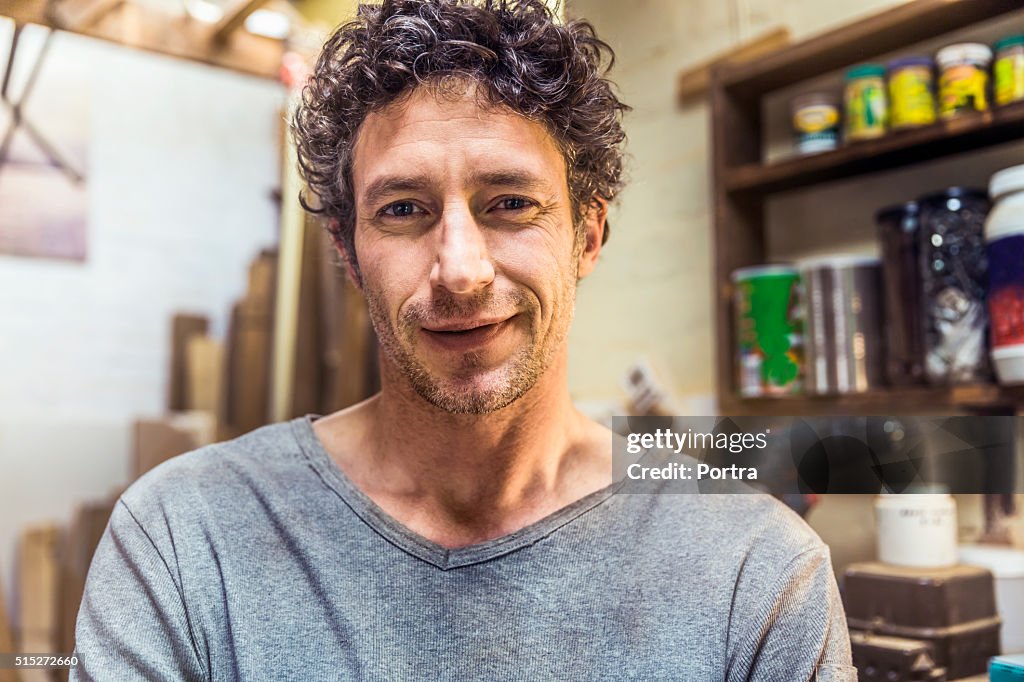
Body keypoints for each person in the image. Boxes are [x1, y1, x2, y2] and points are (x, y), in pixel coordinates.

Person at [73, 1, 855, 679]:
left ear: (587, 234)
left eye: (510, 202)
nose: (460, 271)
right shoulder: (184, 542)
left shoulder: (754, 573)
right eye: (404, 210)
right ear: (348, 250)